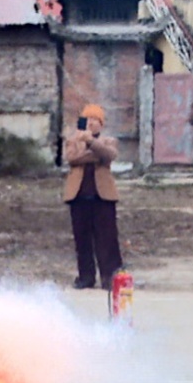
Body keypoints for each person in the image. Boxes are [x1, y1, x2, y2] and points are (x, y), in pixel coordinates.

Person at [62, 104, 123, 290]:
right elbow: (72, 159)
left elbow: (108, 155)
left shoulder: (109, 140)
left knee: (107, 237)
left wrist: (91, 143)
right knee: (82, 238)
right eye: (87, 119)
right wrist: (93, 153)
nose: (90, 123)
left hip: (102, 196)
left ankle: (110, 276)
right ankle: (85, 277)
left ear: (101, 124)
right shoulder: (73, 141)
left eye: (94, 120)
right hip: (78, 195)